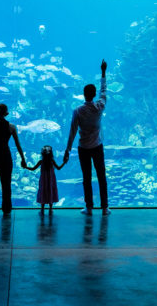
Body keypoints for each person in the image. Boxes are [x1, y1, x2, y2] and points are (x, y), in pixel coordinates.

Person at [64, 59, 111, 215]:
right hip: (97, 147)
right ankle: (105, 208)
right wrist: (103, 71)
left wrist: (67, 149)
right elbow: (104, 91)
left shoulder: (77, 110)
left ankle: (89, 207)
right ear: (93, 94)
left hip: (83, 148)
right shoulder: (99, 106)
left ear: (84, 95)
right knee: (101, 176)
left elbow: (72, 130)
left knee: (86, 177)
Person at [25, 144, 65, 214]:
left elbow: (33, 169)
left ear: (42, 154)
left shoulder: (41, 161)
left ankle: (42, 209)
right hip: (51, 180)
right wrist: (64, 163)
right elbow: (58, 168)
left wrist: (25, 167)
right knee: (50, 191)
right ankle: (50, 209)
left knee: (43, 191)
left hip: (43, 180)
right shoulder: (52, 161)